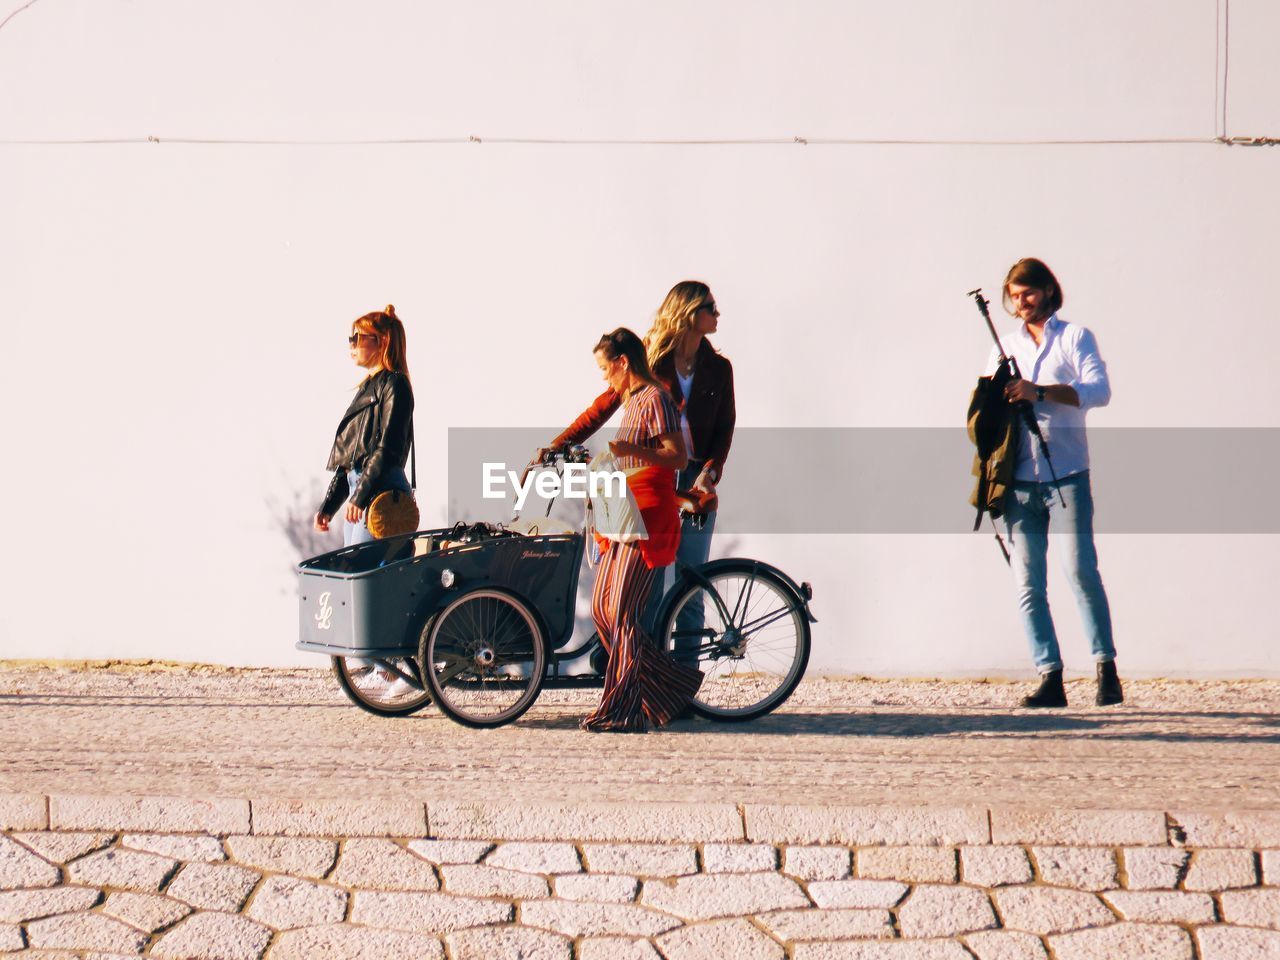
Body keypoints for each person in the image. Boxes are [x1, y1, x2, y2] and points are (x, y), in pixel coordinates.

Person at [549, 281, 736, 660]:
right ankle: (639, 668)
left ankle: (683, 677)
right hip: (654, 479)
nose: (717, 315)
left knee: (690, 581)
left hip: (695, 479)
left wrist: (710, 475)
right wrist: (559, 443)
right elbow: (604, 404)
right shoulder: (653, 363)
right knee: (647, 577)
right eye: (710, 308)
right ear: (688, 312)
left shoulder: (719, 369)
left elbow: (725, 428)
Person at [555, 328, 704, 732]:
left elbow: (676, 459)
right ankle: (670, 690)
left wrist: (629, 452)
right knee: (604, 609)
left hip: (648, 518)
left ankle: (623, 710)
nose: (605, 379)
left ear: (623, 362)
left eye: (606, 369)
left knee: (622, 611)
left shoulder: (655, 398)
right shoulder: (632, 400)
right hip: (624, 516)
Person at [989, 259, 1122, 708]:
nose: (1021, 302)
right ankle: (1050, 677)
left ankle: (1105, 669)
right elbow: (988, 409)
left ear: (1047, 290)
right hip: (1020, 480)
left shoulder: (1075, 338)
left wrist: (1039, 392)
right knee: (1027, 583)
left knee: (1081, 570)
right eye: (1014, 294)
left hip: (1066, 474)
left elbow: (1098, 391)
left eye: (1028, 292)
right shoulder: (1004, 346)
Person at [314, 305, 415, 546]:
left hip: (381, 492)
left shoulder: (394, 384)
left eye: (357, 338)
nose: (351, 344)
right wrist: (328, 507)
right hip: (360, 493)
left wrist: (360, 496)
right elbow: (350, 459)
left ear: (382, 341)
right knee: (356, 569)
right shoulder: (367, 388)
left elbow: (388, 448)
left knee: (368, 572)